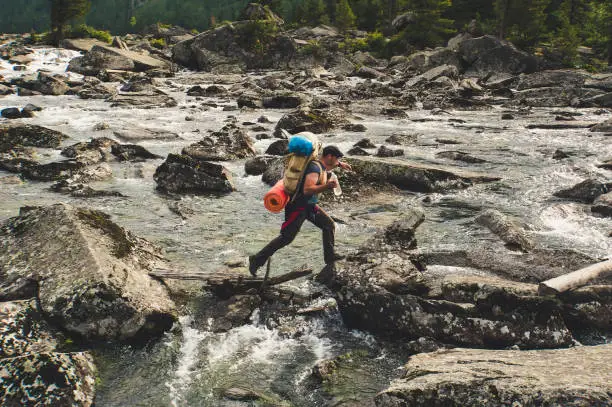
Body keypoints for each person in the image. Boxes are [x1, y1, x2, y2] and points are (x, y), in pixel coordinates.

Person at [249, 145, 352, 276]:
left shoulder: (322, 165)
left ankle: (329, 256)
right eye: (336, 158)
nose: (338, 161)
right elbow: (307, 190)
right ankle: (256, 260)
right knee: (286, 238)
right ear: (329, 156)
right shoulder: (314, 168)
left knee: (329, 225)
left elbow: (332, 165)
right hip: (298, 206)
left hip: (309, 206)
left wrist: (341, 164)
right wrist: (327, 186)